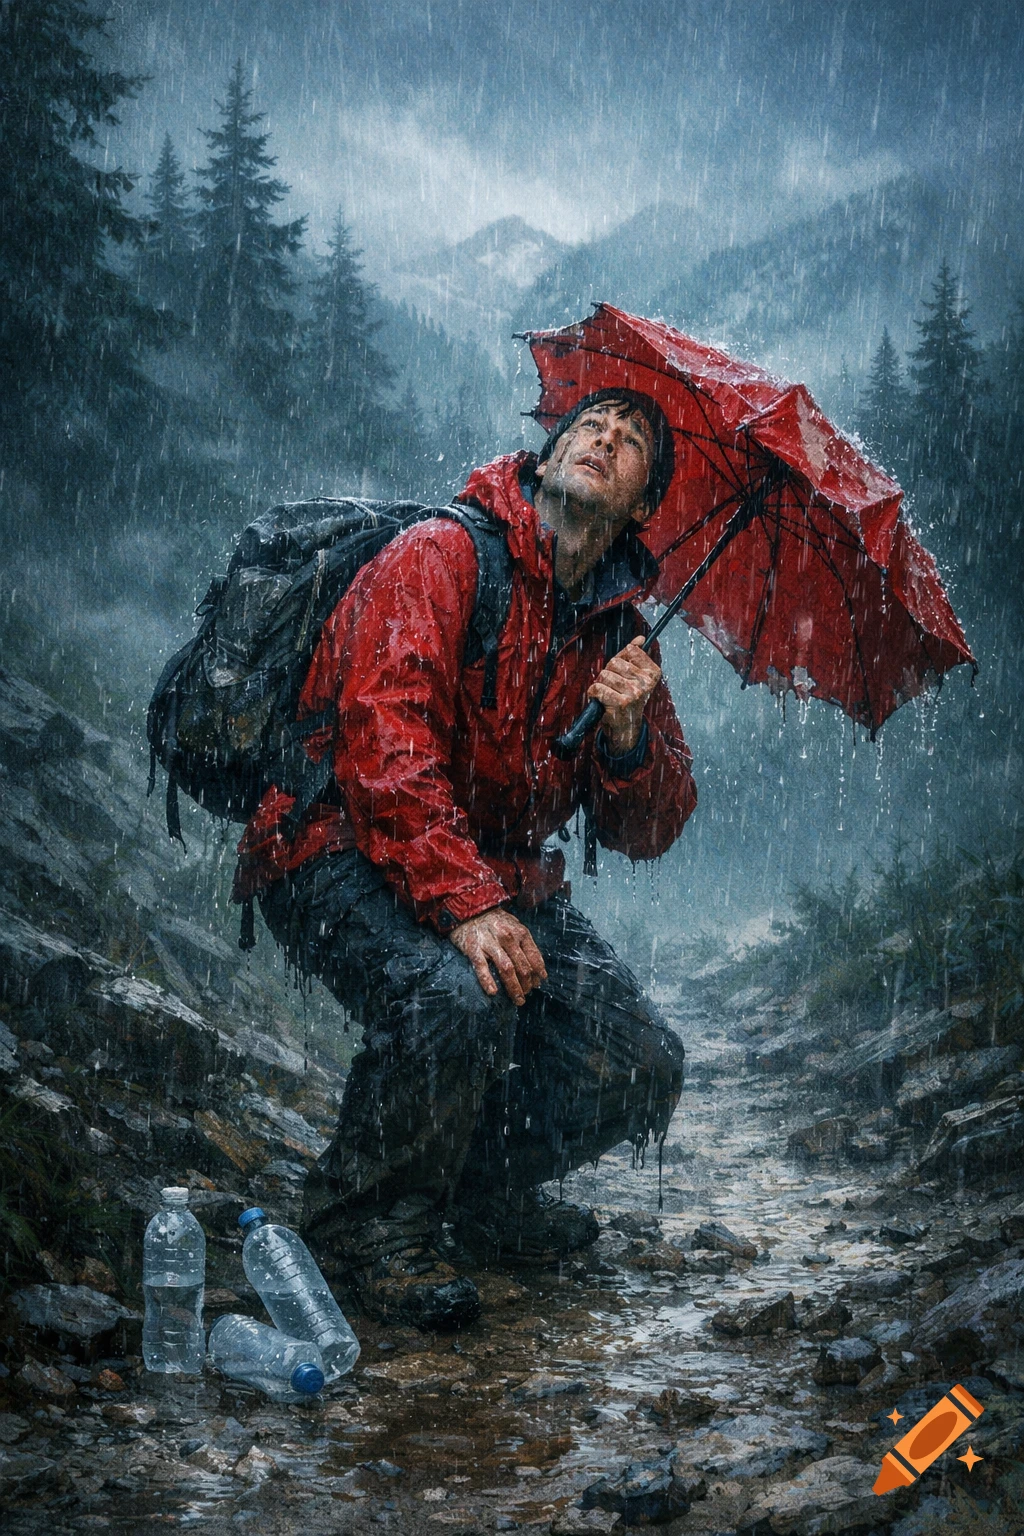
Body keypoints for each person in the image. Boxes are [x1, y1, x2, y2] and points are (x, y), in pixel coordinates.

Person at [234, 388, 697, 1328]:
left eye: (633, 441)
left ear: (644, 508)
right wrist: (468, 905)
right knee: (460, 993)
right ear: (547, 456)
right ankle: (363, 1223)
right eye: (590, 425)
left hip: (487, 872)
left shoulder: (621, 636)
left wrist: (624, 734)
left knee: (638, 1060)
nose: (605, 438)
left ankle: (467, 1194)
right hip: (331, 841)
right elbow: (381, 743)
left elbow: (649, 829)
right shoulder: (444, 555)